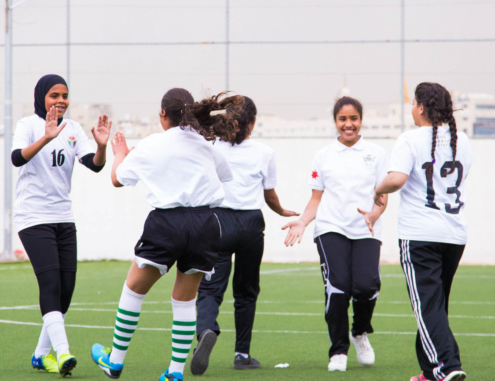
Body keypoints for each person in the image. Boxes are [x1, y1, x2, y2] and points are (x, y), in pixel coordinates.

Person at [91, 89, 242, 381]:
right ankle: (174, 373)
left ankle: (115, 362)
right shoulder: (205, 145)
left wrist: (120, 154)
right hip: (206, 223)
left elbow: (116, 179)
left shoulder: (152, 145)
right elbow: (224, 176)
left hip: (167, 223)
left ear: (163, 114)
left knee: (133, 290)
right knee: (184, 301)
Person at [11, 74, 112, 377]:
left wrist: (102, 146)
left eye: (65, 95)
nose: (60, 101)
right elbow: (17, 158)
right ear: (42, 97)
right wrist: (46, 137)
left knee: (65, 291)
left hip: (63, 218)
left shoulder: (75, 129)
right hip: (33, 218)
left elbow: (93, 164)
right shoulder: (28, 126)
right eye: (54, 95)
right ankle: (63, 352)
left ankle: (41, 355)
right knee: (51, 284)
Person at [190, 96, 298, 375]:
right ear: (252, 123)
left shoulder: (212, 147)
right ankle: (242, 354)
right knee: (246, 292)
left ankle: (206, 331)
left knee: (211, 288)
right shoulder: (264, 152)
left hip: (220, 222)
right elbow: (269, 194)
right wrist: (282, 210)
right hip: (251, 224)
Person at [374, 82, 471, 381]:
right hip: (454, 235)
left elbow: (397, 179)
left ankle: (448, 367)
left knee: (427, 306)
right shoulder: (462, 140)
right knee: (434, 306)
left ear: (420, 107)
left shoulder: (410, 139)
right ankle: (429, 372)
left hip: (420, 236)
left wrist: (378, 187)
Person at [283, 96, 388, 372]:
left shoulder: (376, 153)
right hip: (331, 228)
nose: (348, 124)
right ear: (335, 122)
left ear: (361, 120)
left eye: (353, 118)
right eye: (343, 119)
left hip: (367, 230)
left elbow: (382, 197)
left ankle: (360, 332)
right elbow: (316, 198)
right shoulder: (324, 156)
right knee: (338, 286)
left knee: (366, 286)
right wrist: (303, 222)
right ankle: (338, 351)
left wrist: (374, 216)